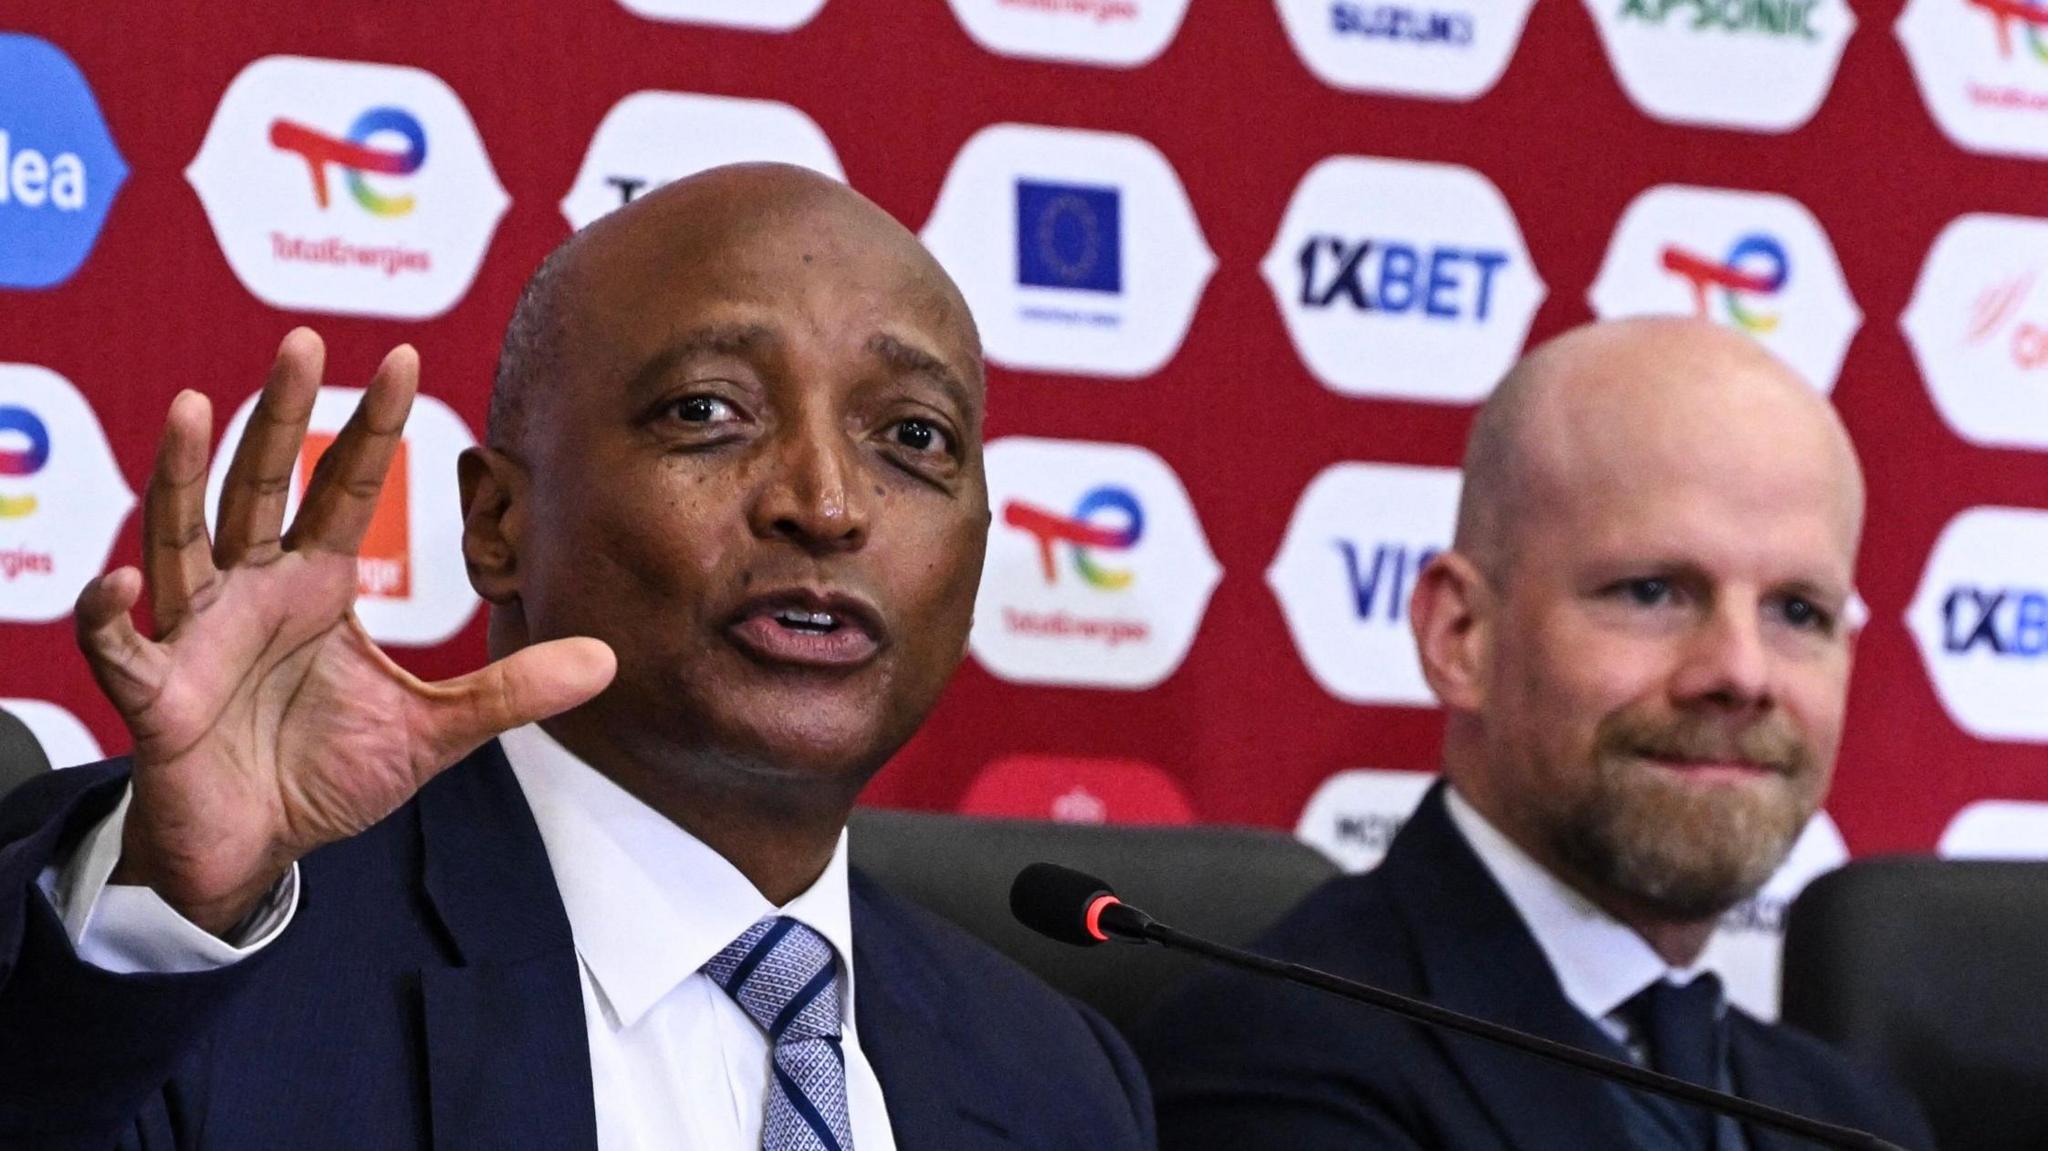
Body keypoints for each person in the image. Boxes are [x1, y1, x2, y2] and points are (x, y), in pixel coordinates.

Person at [0, 164, 1155, 1150]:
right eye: (708, 411)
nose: (827, 502)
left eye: (913, 436)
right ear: (498, 523)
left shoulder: (1055, 1078)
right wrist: (165, 918)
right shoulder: (203, 951)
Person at [1133, 318, 1933, 1150]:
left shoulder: (1857, 1117)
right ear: (1462, 634)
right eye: (1652, 591)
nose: (1742, 670)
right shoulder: (1275, 1062)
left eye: (1798, 610)